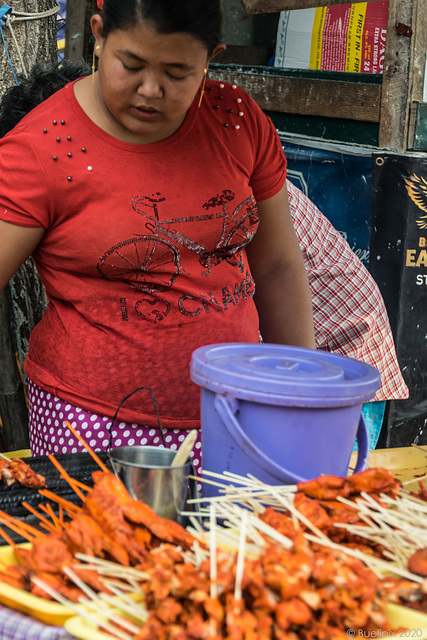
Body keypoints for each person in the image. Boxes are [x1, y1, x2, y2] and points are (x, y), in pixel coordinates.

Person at [0, 0, 316, 475]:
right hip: (90, 425)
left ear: (211, 57)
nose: (150, 90)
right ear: (99, 34)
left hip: (233, 412)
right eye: (131, 64)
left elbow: (277, 266)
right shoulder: (42, 147)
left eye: (177, 71)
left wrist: (299, 393)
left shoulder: (235, 121)